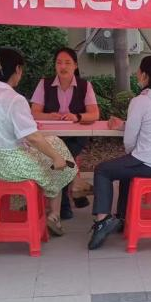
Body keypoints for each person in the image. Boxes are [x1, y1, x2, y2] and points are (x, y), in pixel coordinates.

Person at [87, 55, 151, 250]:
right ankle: (122, 218)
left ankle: (102, 221)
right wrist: (123, 125)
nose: (137, 74)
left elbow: (130, 140)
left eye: (138, 71)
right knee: (127, 169)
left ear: (145, 75)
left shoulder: (140, 101)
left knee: (102, 170)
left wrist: (131, 153)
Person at [0, 47, 77, 237]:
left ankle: (57, 204)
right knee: (55, 163)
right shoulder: (14, 99)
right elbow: (33, 137)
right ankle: (54, 212)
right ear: (18, 69)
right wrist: (56, 158)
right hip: (13, 165)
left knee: (54, 142)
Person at [30, 47, 99, 219]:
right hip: (51, 137)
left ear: (75, 65)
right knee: (60, 155)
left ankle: (65, 205)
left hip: (76, 137)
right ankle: (74, 190)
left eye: (68, 63)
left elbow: (94, 114)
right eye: (59, 63)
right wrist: (49, 116)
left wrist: (77, 116)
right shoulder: (44, 84)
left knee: (61, 156)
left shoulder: (85, 86)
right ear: (55, 65)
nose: (63, 67)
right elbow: (34, 112)